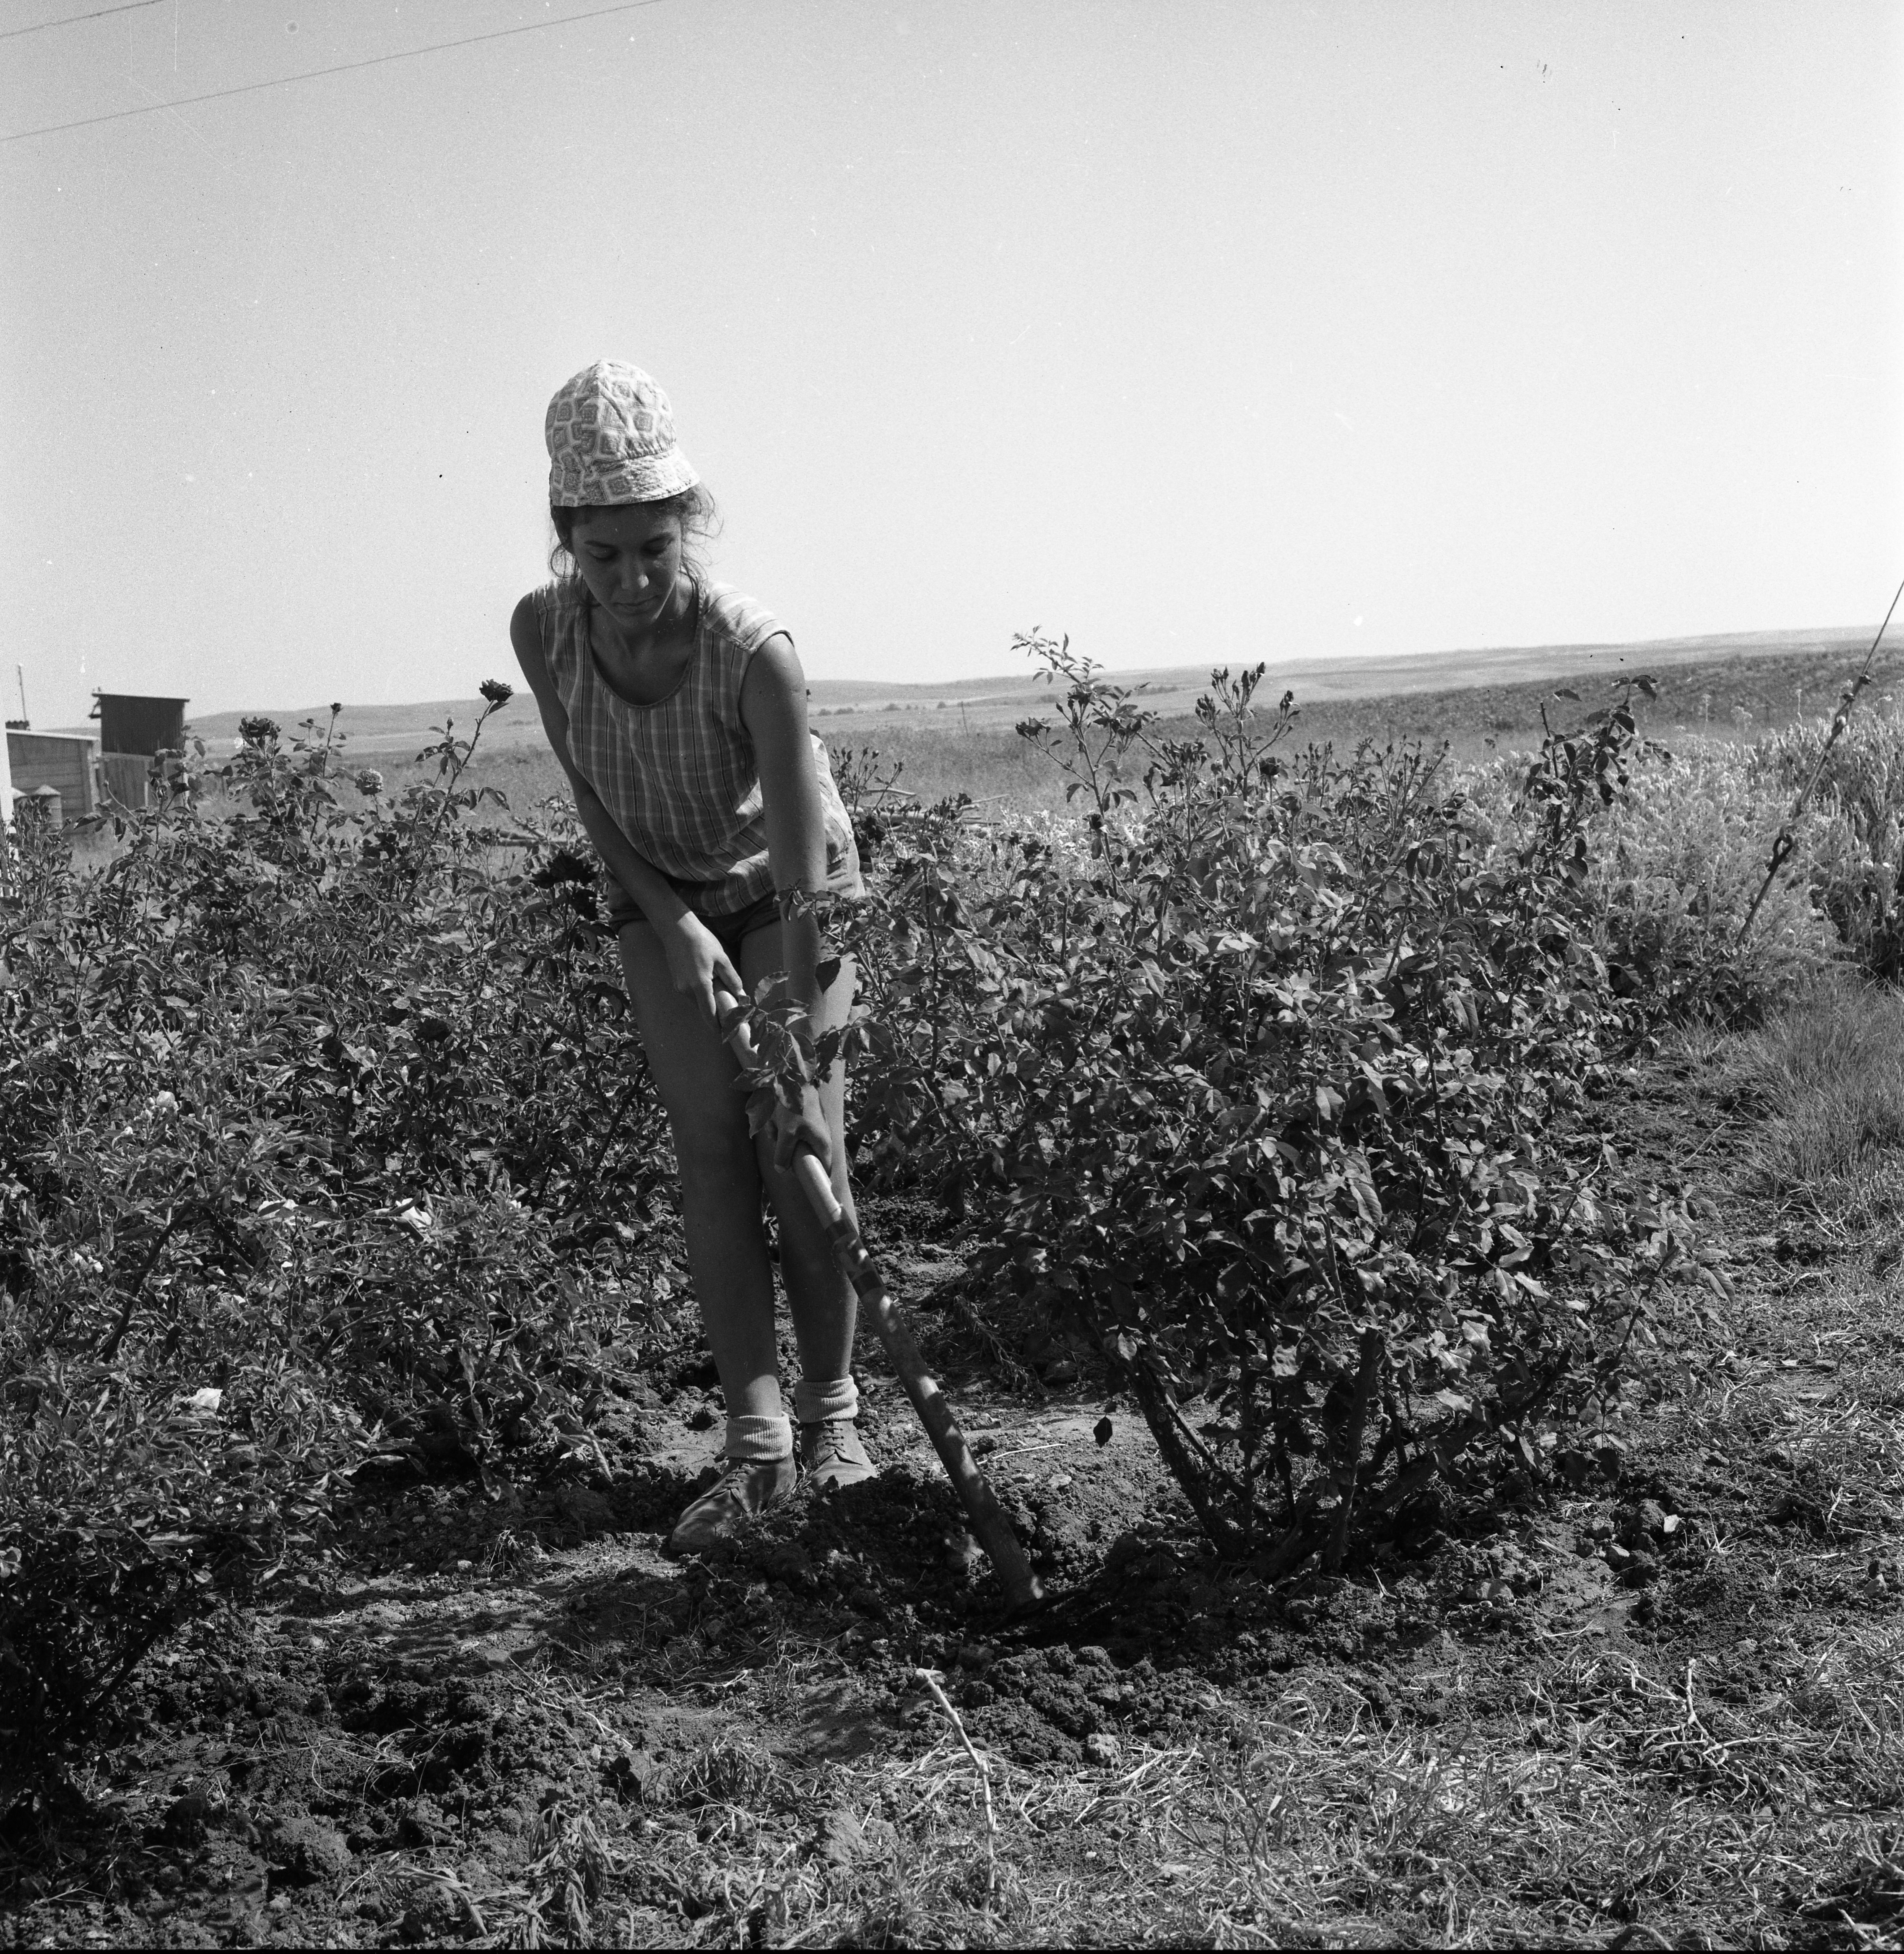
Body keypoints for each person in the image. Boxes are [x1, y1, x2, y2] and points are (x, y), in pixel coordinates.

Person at [509, 360, 873, 1552]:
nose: (629, 580)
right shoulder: (543, 630)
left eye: (653, 549)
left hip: (785, 892)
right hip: (663, 896)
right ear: (569, 538)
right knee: (712, 1148)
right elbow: (589, 796)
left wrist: (802, 1039)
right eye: (602, 555)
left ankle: (838, 1430)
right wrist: (670, 922)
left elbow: (801, 855)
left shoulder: (752, 651)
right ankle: (758, 1450)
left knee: (796, 1146)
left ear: (688, 524)